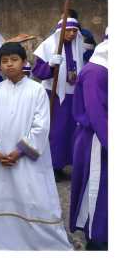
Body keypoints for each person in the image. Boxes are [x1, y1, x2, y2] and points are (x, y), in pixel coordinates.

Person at [0, 42, 72, 250]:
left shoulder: (37, 90)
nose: (9, 65)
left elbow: (41, 127)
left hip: (27, 162)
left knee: (33, 199)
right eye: (4, 61)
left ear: (24, 62)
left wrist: (18, 152)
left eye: (14, 60)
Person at [32, 17, 85, 181]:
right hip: (53, 94)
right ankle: (52, 166)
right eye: (68, 30)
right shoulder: (47, 46)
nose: (71, 34)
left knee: (70, 131)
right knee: (56, 131)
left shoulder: (79, 46)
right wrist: (50, 65)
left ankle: (63, 165)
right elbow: (37, 72)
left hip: (73, 94)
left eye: (74, 31)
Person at [69, 32, 108, 251]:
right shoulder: (97, 70)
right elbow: (96, 113)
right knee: (97, 189)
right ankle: (96, 236)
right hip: (98, 138)